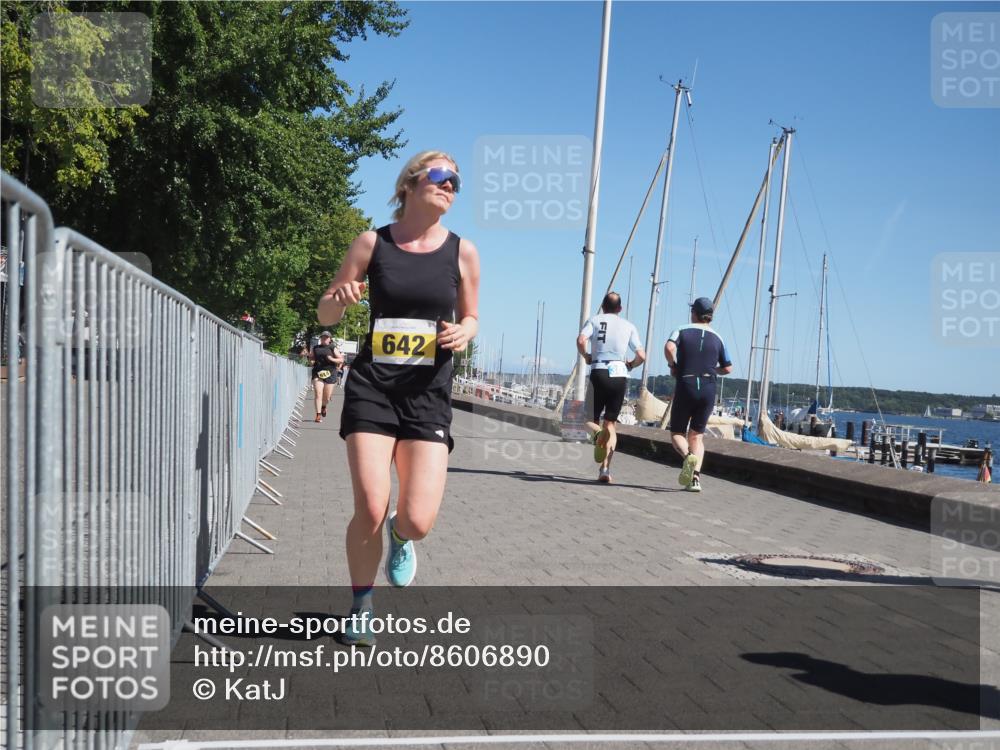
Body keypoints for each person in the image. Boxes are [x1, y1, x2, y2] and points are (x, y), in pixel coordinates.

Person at [317, 151, 480, 646]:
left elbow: (472, 315)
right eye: (439, 175)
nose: (449, 184)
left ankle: (402, 536)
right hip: (373, 388)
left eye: (456, 180)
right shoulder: (373, 243)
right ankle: (361, 604)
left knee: (418, 518)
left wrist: (465, 333)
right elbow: (325, 314)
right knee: (370, 502)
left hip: (428, 394)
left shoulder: (462, 252)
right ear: (410, 183)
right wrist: (340, 299)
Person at [665, 297, 733, 492]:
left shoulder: (681, 329)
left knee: (677, 433)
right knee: (697, 436)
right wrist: (713, 370)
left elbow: (669, 347)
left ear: (693, 312)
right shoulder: (719, 337)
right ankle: (695, 479)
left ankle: (688, 458)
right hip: (708, 387)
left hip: (686, 383)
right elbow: (728, 368)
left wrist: (673, 365)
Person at [577, 292, 645, 483]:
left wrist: (586, 356)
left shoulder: (595, 320)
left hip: (599, 371)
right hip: (620, 374)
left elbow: (581, 340)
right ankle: (605, 469)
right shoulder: (629, 326)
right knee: (611, 425)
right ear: (620, 309)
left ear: (603, 306)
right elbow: (642, 355)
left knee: (588, 419)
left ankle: (597, 434)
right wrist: (630, 365)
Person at [309, 332, 343, 422]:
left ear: (329, 339)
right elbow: (311, 357)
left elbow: (341, 359)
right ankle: (318, 415)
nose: (324, 339)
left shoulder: (332, 347)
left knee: (326, 397)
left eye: (326, 337)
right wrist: (311, 361)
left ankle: (324, 406)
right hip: (318, 372)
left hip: (330, 373)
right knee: (318, 393)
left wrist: (332, 359)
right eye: (323, 337)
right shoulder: (316, 348)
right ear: (320, 338)